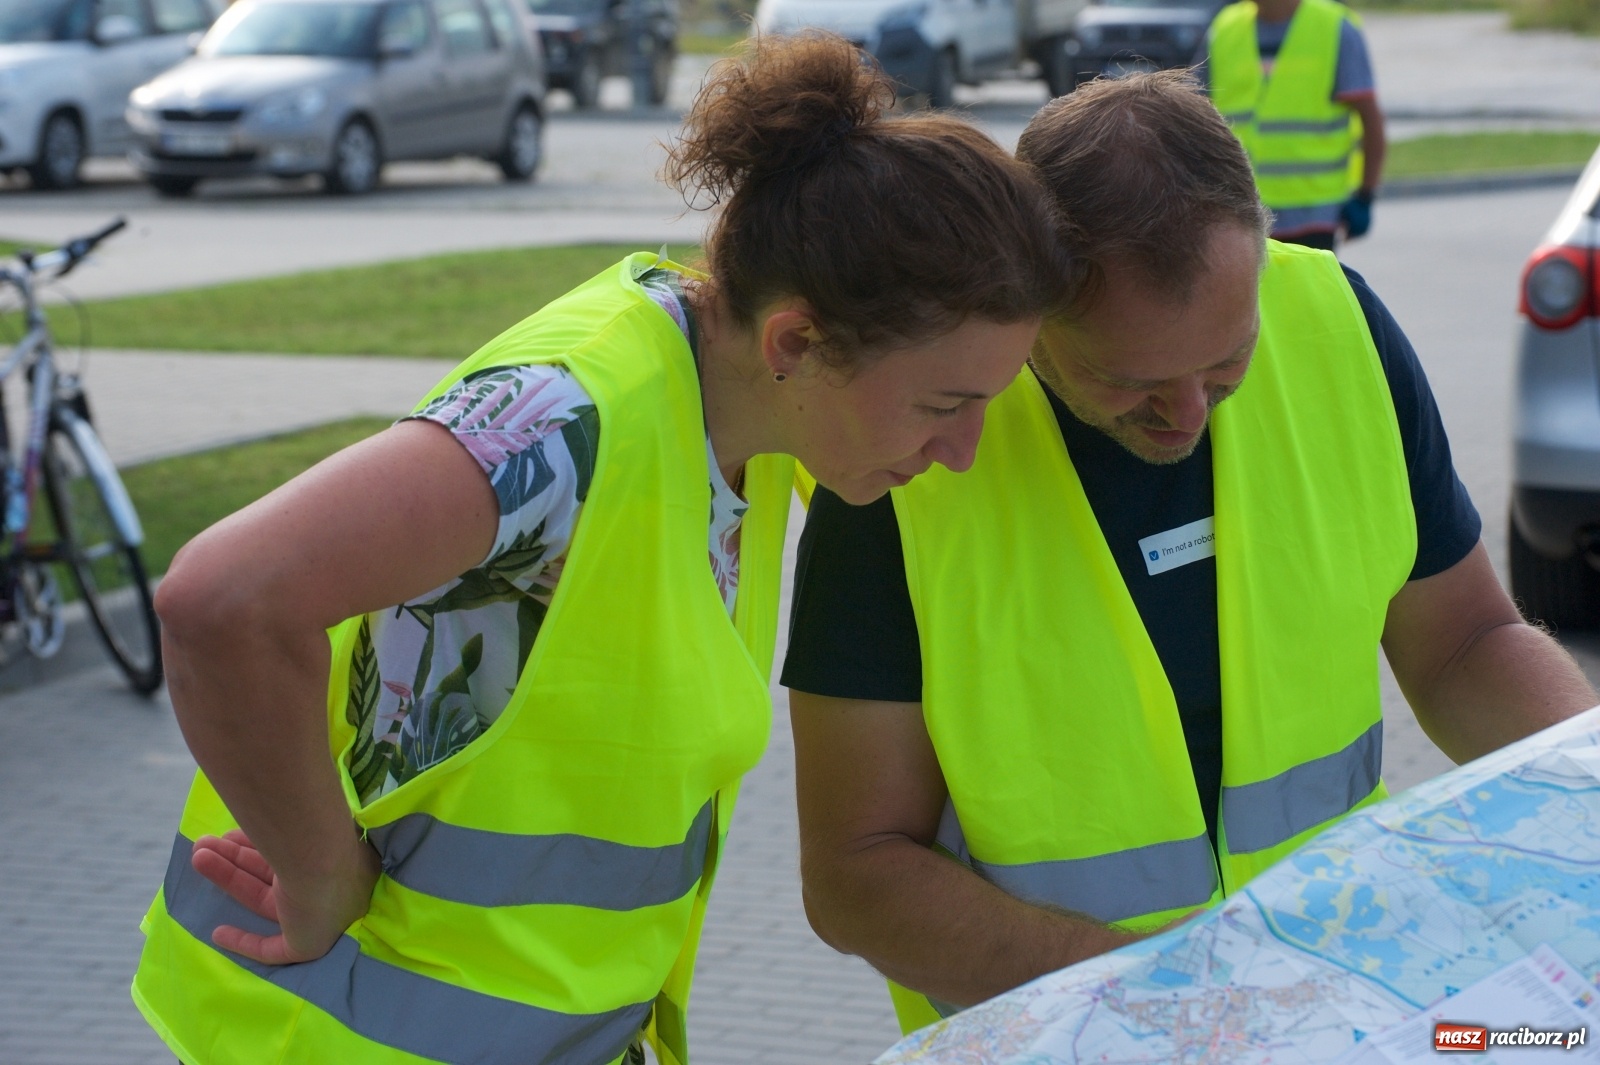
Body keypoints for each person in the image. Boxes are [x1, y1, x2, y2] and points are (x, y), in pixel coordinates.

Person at [129, 33, 1069, 1065]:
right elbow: (223, 598)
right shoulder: (561, 424)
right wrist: (316, 870)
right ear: (795, 345)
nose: (964, 450)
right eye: (946, 404)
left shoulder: (742, 428)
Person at [782, 70, 1598, 1034]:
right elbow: (857, 871)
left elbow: (1464, 644)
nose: (1186, 414)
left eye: (1226, 363)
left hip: (1329, 1018)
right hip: (1060, 1038)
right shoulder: (909, 452)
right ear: (1032, 301)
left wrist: (1580, 784)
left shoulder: (1338, 326)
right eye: (1129, 379)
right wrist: (1170, 1004)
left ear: (1262, 250)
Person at [1196, 0, 1386, 251]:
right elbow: (1192, 111)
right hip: (1242, 212)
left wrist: (1365, 195)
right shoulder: (1225, 27)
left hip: (1313, 214)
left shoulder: (1336, 27)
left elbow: (1370, 120)